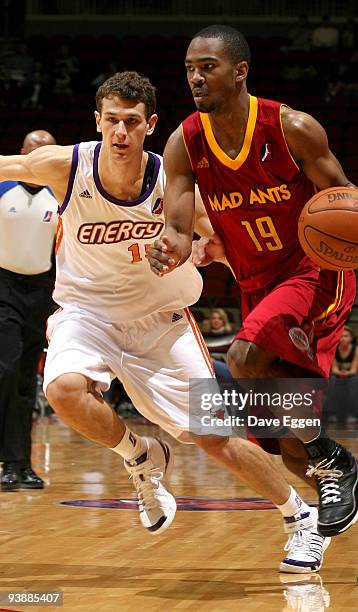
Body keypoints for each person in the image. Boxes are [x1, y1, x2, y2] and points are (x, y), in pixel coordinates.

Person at [0, 71, 327, 575]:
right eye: (111, 121)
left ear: (150, 124)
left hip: (160, 322)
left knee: (215, 438)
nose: (120, 133)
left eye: (132, 122)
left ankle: (299, 516)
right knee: (64, 390)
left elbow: (222, 241)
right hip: (88, 315)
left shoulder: (175, 185)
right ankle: (141, 456)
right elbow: (11, 163)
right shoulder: (67, 167)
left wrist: (208, 249)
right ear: (97, 121)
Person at [148, 25, 358, 586]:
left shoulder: (292, 127)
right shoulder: (186, 141)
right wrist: (171, 245)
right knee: (292, 451)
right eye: (189, 68)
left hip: (314, 274)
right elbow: (179, 226)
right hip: (256, 284)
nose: (196, 77)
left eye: (207, 66)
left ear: (240, 71)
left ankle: (337, 463)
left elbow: (344, 196)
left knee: (247, 358)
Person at [0, 130, 58, 491]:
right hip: (2, 286)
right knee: (4, 369)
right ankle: (9, 458)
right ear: (21, 154)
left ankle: (20, 463)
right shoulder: (3, 186)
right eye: (34, 152)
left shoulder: (61, 197)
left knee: (25, 380)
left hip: (40, 292)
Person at [328, 326, 358, 425]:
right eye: (341, 336)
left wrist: (346, 373)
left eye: (346, 336)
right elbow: (334, 369)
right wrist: (341, 373)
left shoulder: (357, 348)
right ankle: (332, 414)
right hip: (337, 374)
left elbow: (354, 370)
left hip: (351, 374)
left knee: (353, 381)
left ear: (351, 338)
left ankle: (352, 414)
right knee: (333, 380)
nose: (343, 338)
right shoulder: (333, 348)